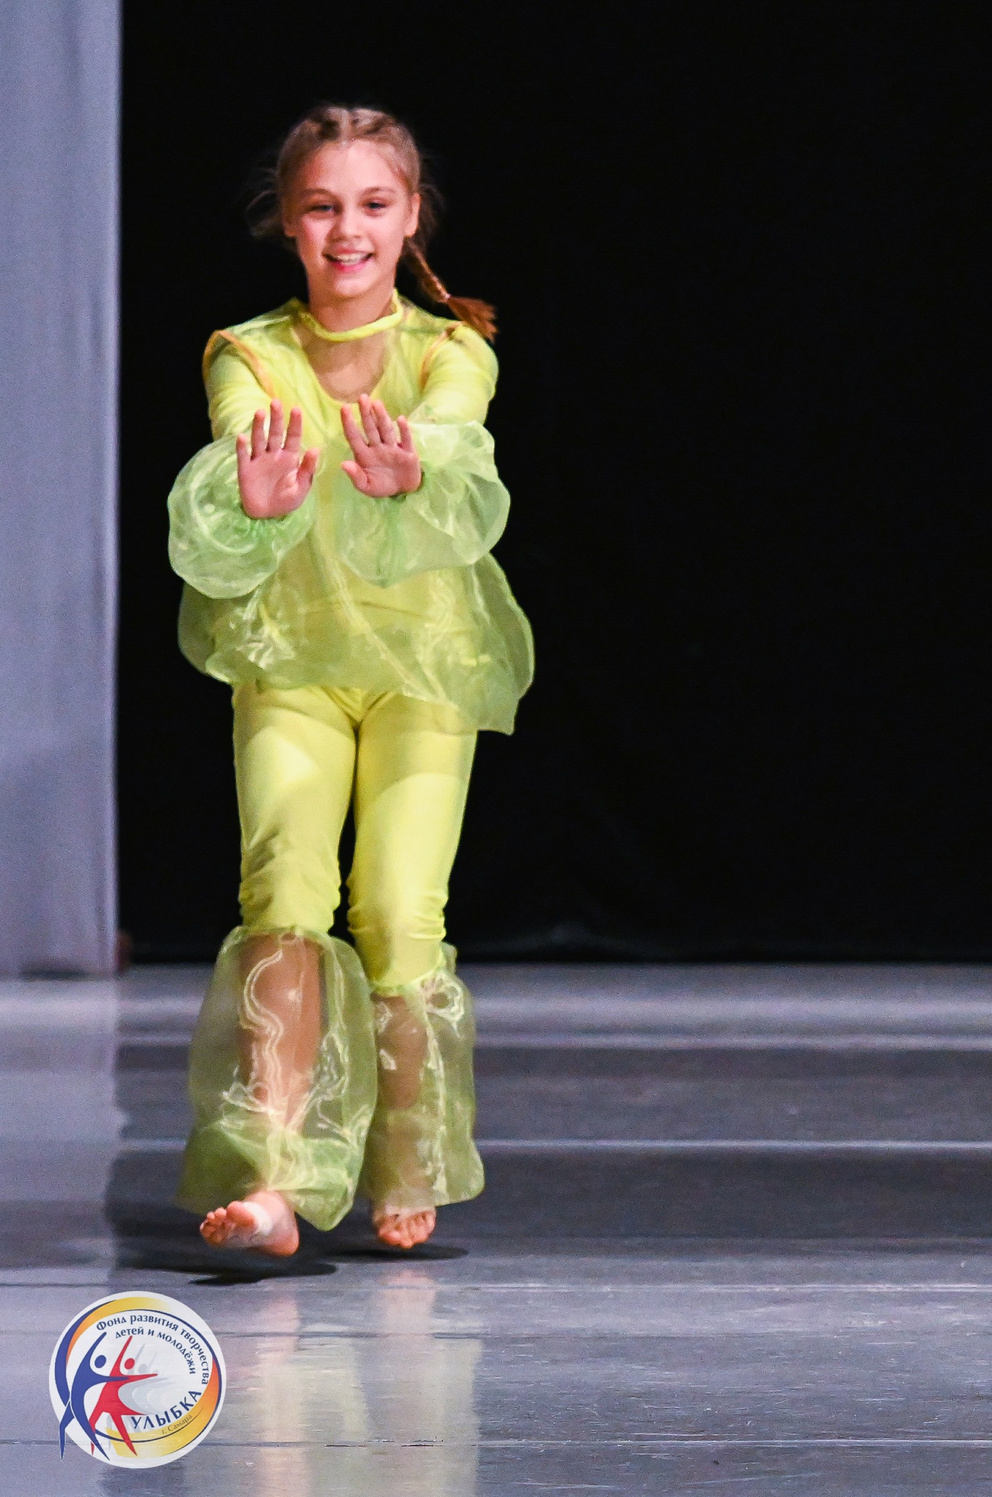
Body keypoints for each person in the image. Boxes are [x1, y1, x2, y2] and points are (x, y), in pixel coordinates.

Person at [169, 105, 532, 1257]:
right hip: (292, 657)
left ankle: (403, 1158)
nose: (347, 230)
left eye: (373, 204)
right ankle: (274, 1178)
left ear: (410, 215)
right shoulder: (251, 350)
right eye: (322, 205)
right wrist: (255, 502)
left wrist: (408, 470)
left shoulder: (449, 350)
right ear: (289, 221)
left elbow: (455, 452)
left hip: (421, 659)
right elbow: (243, 449)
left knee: (394, 914)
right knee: (282, 898)